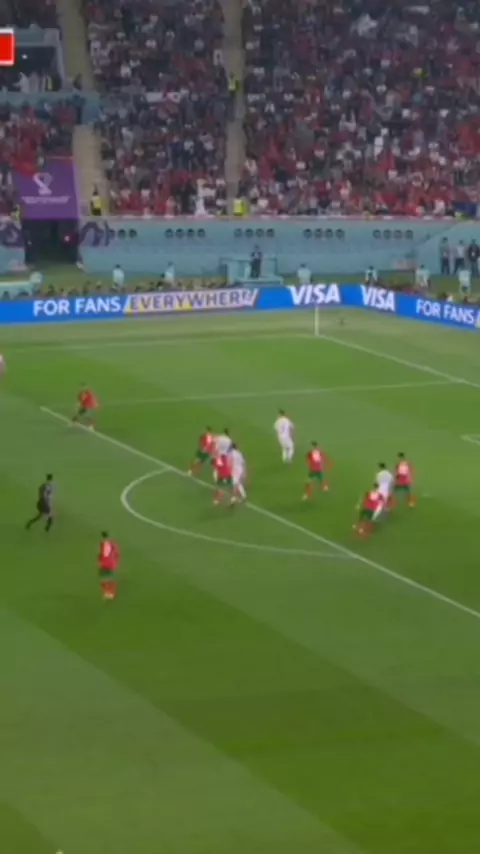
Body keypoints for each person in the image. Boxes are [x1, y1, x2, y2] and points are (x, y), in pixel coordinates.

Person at [98, 531, 120, 601]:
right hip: (112, 564)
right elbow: (117, 554)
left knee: (103, 579)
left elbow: (101, 554)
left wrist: (99, 561)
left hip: (104, 564)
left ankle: (106, 592)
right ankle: (111, 593)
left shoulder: (102, 544)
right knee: (111, 579)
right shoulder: (113, 544)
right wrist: (116, 562)